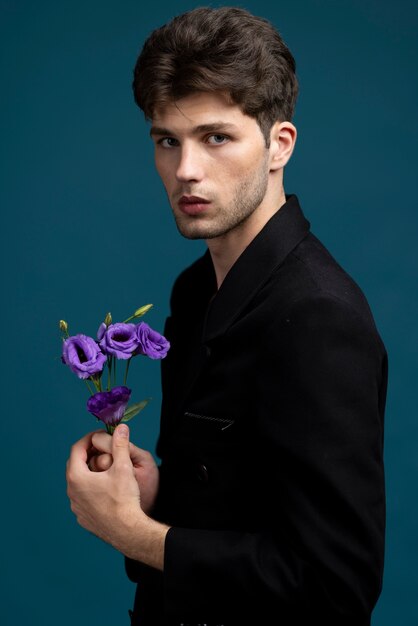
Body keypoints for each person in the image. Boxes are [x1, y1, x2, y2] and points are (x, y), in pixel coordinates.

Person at [66, 7, 387, 625]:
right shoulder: (194, 289)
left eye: (215, 137)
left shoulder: (318, 314)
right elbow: (240, 504)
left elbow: (335, 589)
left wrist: (134, 534)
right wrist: (156, 497)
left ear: (278, 145)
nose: (186, 169)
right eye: (168, 140)